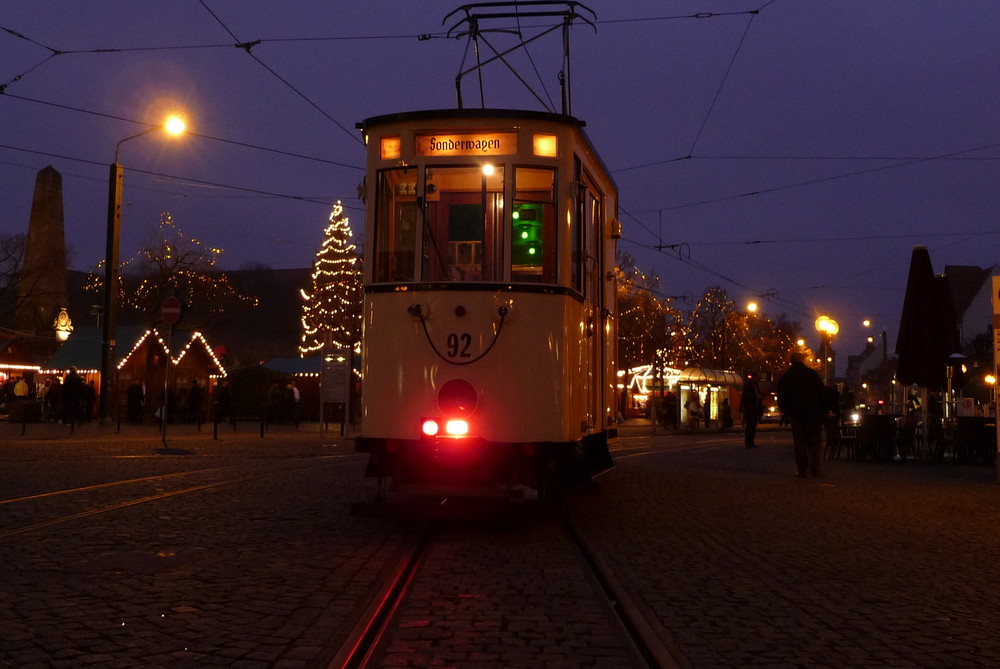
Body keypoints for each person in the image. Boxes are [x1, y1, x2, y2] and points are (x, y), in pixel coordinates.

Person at [776, 353, 830, 478]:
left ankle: (802, 470)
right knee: (815, 443)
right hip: (814, 414)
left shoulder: (786, 377)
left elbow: (782, 398)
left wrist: (787, 412)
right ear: (802, 360)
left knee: (800, 444)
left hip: (797, 415)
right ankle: (815, 468)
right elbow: (822, 393)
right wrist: (824, 409)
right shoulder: (812, 374)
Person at [740, 374, 763, 448]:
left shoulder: (753, 385)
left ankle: (750, 442)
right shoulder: (750, 386)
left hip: (753, 409)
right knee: (750, 426)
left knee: (752, 426)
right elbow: (747, 397)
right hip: (750, 409)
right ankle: (749, 442)